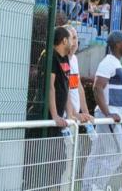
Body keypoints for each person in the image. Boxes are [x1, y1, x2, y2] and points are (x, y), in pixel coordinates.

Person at [83, 31, 122, 191]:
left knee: (98, 152)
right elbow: (97, 88)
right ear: (117, 43)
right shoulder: (108, 62)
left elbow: (112, 93)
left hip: (111, 115)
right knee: (117, 151)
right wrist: (108, 113)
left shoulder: (114, 62)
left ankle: (89, 187)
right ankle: (96, 186)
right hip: (108, 117)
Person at [47, 26, 73, 187]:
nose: (73, 42)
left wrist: (71, 114)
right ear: (64, 40)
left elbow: (67, 88)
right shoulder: (51, 57)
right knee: (48, 163)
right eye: (71, 38)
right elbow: (51, 87)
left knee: (60, 163)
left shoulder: (66, 59)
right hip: (49, 121)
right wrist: (55, 115)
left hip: (60, 121)